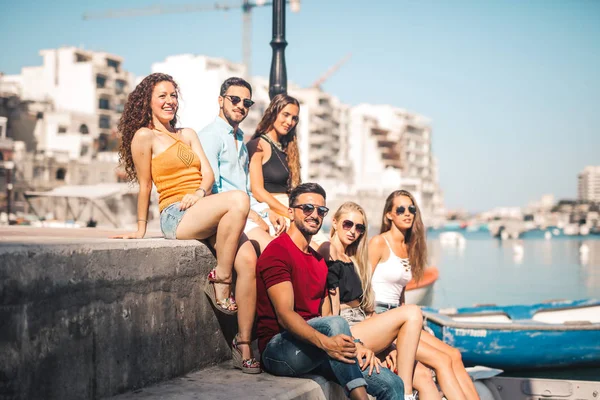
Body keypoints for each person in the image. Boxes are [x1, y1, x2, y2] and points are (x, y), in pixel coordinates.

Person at [112, 73, 260, 374]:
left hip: (201, 207)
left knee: (249, 259)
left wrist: (198, 192)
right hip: (175, 215)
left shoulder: (188, 134)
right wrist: (140, 228)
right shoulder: (145, 137)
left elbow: (207, 175)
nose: (169, 101)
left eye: (173, 95)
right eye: (162, 96)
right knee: (238, 200)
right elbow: (145, 185)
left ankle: (243, 343)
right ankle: (220, 280)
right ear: (148, 102)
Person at [257, 183, 406, 400]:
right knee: (335, 324)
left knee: (393, 384)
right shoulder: (278, 252)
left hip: (315, 346)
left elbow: (326, 316)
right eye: (307, 208)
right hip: (278, 349)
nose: (315, 215)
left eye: (321, 210)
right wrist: (328, 344)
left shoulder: (319, 261)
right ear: (290, 211)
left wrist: (357, 346)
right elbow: (285, 315)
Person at [370, 190, 480, 399]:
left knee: (454, 355)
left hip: (401, 319)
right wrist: (373, 321)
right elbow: (361, 287)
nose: (407, 213)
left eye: (411, 209)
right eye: (400, 209)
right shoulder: (378, 243)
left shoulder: (408, 247)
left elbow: (400, 295)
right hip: (380, 317)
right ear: (389, 215)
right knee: (441, 361)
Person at [318, 201, 425, 400]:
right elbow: (332, 315)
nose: (353, 231)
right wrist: (356, 344)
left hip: (363, 323)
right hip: (345, 326)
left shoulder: (351, 257)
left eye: (359, 228)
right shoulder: (328, 249)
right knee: (412, 313)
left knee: (423, 374)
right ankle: (407, 395)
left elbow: (367, 311)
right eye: (347, 224)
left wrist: (389, 346)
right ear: (334, 222)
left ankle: (406, 390)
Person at [198, 77, 285, 252]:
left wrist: (266, 211)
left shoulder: (240, 141)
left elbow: (245, 191)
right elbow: (212, 192)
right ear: (220, 100)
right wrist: (251, 215)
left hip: (246, 212)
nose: (240, 106)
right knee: (276, 253)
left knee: (296, 248)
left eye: (246, 102)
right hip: (228, 215)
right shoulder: (210, 136)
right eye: (235, 99)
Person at [247, 93, 301, 218]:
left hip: (289, 207)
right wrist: (289, 213)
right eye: (286, 115)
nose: (289, 122)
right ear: (273, 113)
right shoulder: (257, 146)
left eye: (294, 118)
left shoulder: (289, 148)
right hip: (272, 210)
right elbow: (257, 191)